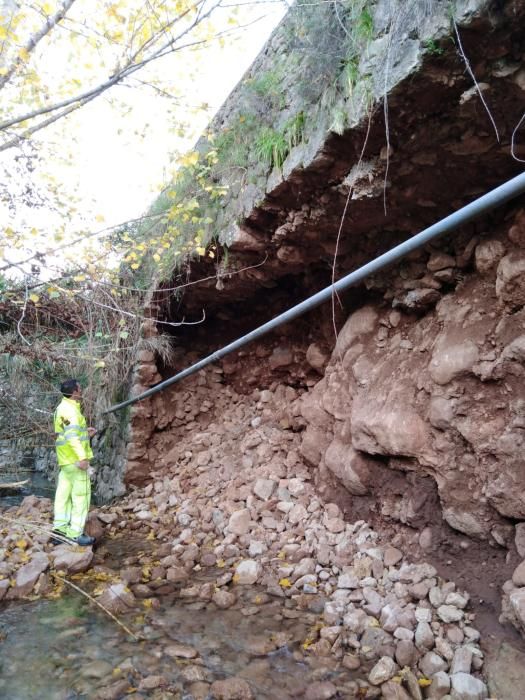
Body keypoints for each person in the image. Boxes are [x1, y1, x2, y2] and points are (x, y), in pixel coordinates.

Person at [51, 379, 96, 546]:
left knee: (63, 496)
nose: (82, 389)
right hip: (75, 462)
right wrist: (82, 458)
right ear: (75, 392)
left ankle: (59, 530)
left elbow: (66, 434)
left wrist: (86, 433)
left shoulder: (61, 408)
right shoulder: (70, 411)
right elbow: (71, 437)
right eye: (80, 387)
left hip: (65, 461)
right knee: (81, 497)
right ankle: (75, 534)